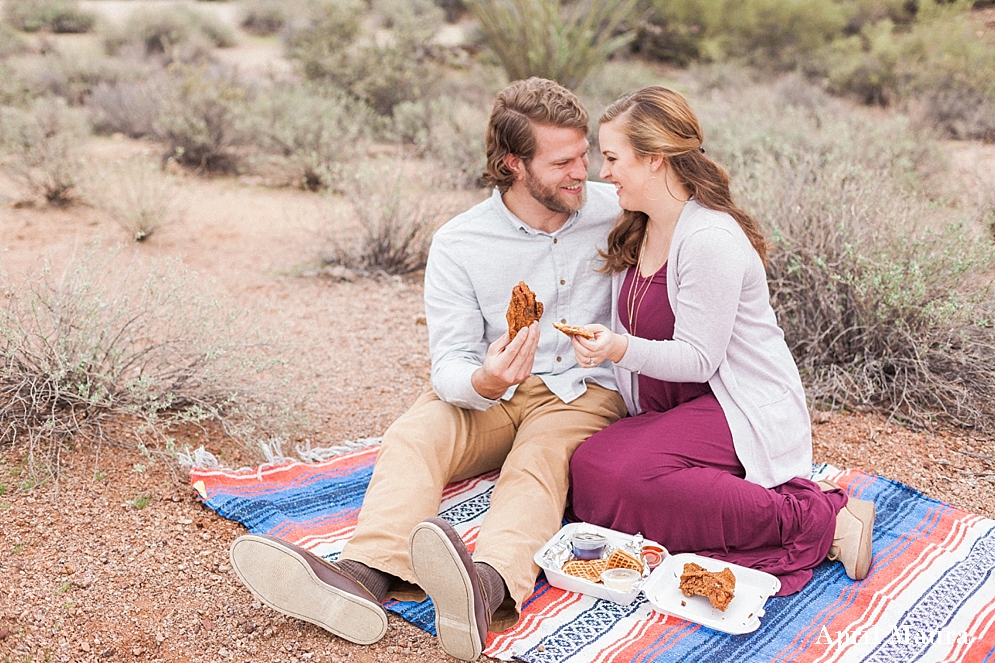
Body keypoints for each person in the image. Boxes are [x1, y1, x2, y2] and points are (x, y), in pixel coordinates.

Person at [228, 78, 627, 662]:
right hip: (497, 390)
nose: (583, 172)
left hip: (584, 391)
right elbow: (450, 364)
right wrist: (486, 382)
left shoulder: (616, 211)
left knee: (538, 463)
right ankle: (363, 578)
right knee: (416, 433)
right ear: (514, 164)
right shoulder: (460, 243)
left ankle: (484, 588)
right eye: (563, 161)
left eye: (584, 154)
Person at [567, 86, 876, 595]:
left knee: (634, 480)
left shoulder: (710, 238)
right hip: (675, 408)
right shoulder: (639, 228)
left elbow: (699, 358)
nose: (604, 172)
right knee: (591, 467)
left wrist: (616, 347)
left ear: (656, 160)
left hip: (733, 401)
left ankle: (819, 519)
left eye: (613, 157)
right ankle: (747, 498)